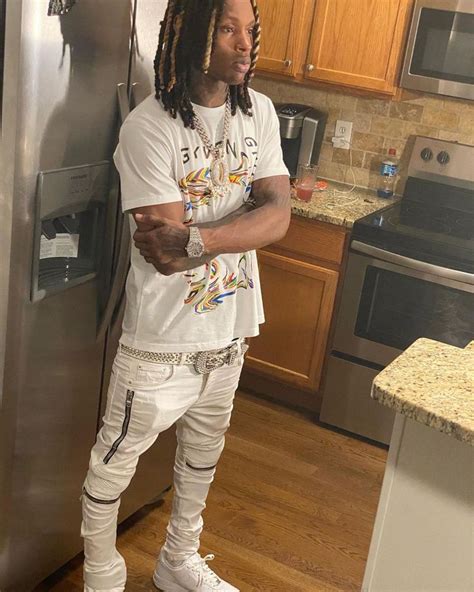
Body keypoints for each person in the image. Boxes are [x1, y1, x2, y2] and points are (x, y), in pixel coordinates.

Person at [80, 0, 290, 590]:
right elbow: (166, 257)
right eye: (227, 29)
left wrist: (201, 234)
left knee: (202, 457)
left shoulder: (261, 113)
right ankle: (102, 576)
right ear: (191, 30)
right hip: (161, 343)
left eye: (250, 30)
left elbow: (279, 217)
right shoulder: (149, 126)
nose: (245, 44)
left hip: (230, 331)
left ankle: (178, 561)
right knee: (113, 465)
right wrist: (242, 219)